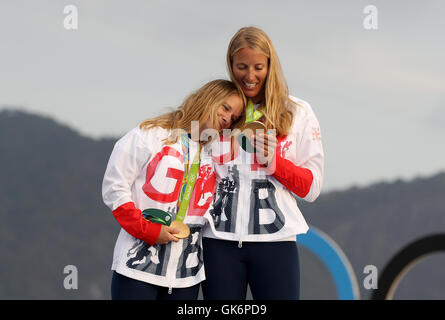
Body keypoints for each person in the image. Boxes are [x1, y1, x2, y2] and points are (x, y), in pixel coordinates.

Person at [202, 26, 325, 300]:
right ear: (230, 65)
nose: (249, 76)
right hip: (218, 240)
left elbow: (312, 188)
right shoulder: (220, 110)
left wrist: (275, 163)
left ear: (270, 65)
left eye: (258, 66)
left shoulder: (298, 112)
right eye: (241, 66)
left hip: (275, 241)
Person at [102, 79, 244, 300]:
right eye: (225, 108)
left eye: (233, 118)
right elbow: (114, 187)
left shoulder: (217, 154)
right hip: (137, 266)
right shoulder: (151, 134)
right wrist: (146, 230)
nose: (227, 118)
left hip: (185, 275)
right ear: (208, 98)